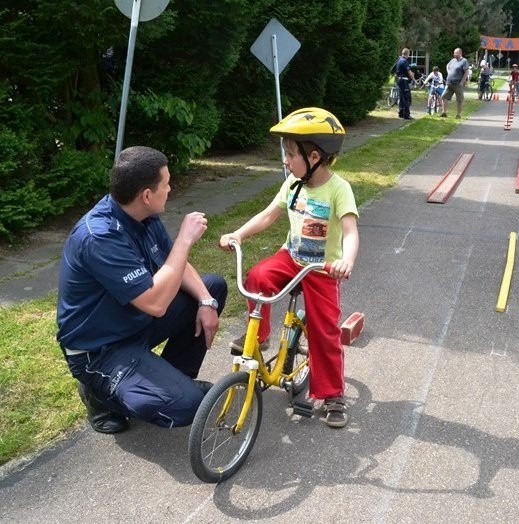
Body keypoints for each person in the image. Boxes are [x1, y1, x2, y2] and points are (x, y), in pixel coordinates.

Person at [56, 146, 228, 434]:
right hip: (100, 349)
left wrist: (207, 302)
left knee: (211, 287)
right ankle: (98, 395)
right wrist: (185, 240)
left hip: (132, 323)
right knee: (187, 406)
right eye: (166, 183)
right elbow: (156, 304)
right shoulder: (99, 237)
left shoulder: (141, 214)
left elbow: (173, 261)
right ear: (147, 195)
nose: (170, 188)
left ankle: (175, 378)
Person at [219, 107, 359, 429]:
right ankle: (262, 335)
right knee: (257, 276)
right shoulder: (293, 185)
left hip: (321, 269)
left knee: (324, 331)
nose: (285, 161)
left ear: (313, 157)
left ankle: (333, 395)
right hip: (291, 258)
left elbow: (350, 231)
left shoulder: (339, 189)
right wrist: (238, 233)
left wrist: (345, 260)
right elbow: (268, 215)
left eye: (290, 154)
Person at [441, 47, 469, 119]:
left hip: (457, 84)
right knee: (444, 97)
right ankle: (444, 113)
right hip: (449, 83)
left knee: (459, 100)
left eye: (455, 53)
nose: (454, 54)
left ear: (460, 53)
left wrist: (462, 82)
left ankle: (458, 114)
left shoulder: (464, 61)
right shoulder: (453, 60)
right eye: (454, 53)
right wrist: (449, 72)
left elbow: (466, 72)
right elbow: (447, 65)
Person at [394, 48, 414, 119]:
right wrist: (413, 78)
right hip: (404, 81)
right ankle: (406, 115)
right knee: (407, 97)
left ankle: (401, 113)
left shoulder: (399, 60)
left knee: (402, 97)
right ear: (408, 53)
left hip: (399, 81)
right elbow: (409, 72)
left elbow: (395, 71)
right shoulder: (405, 61)